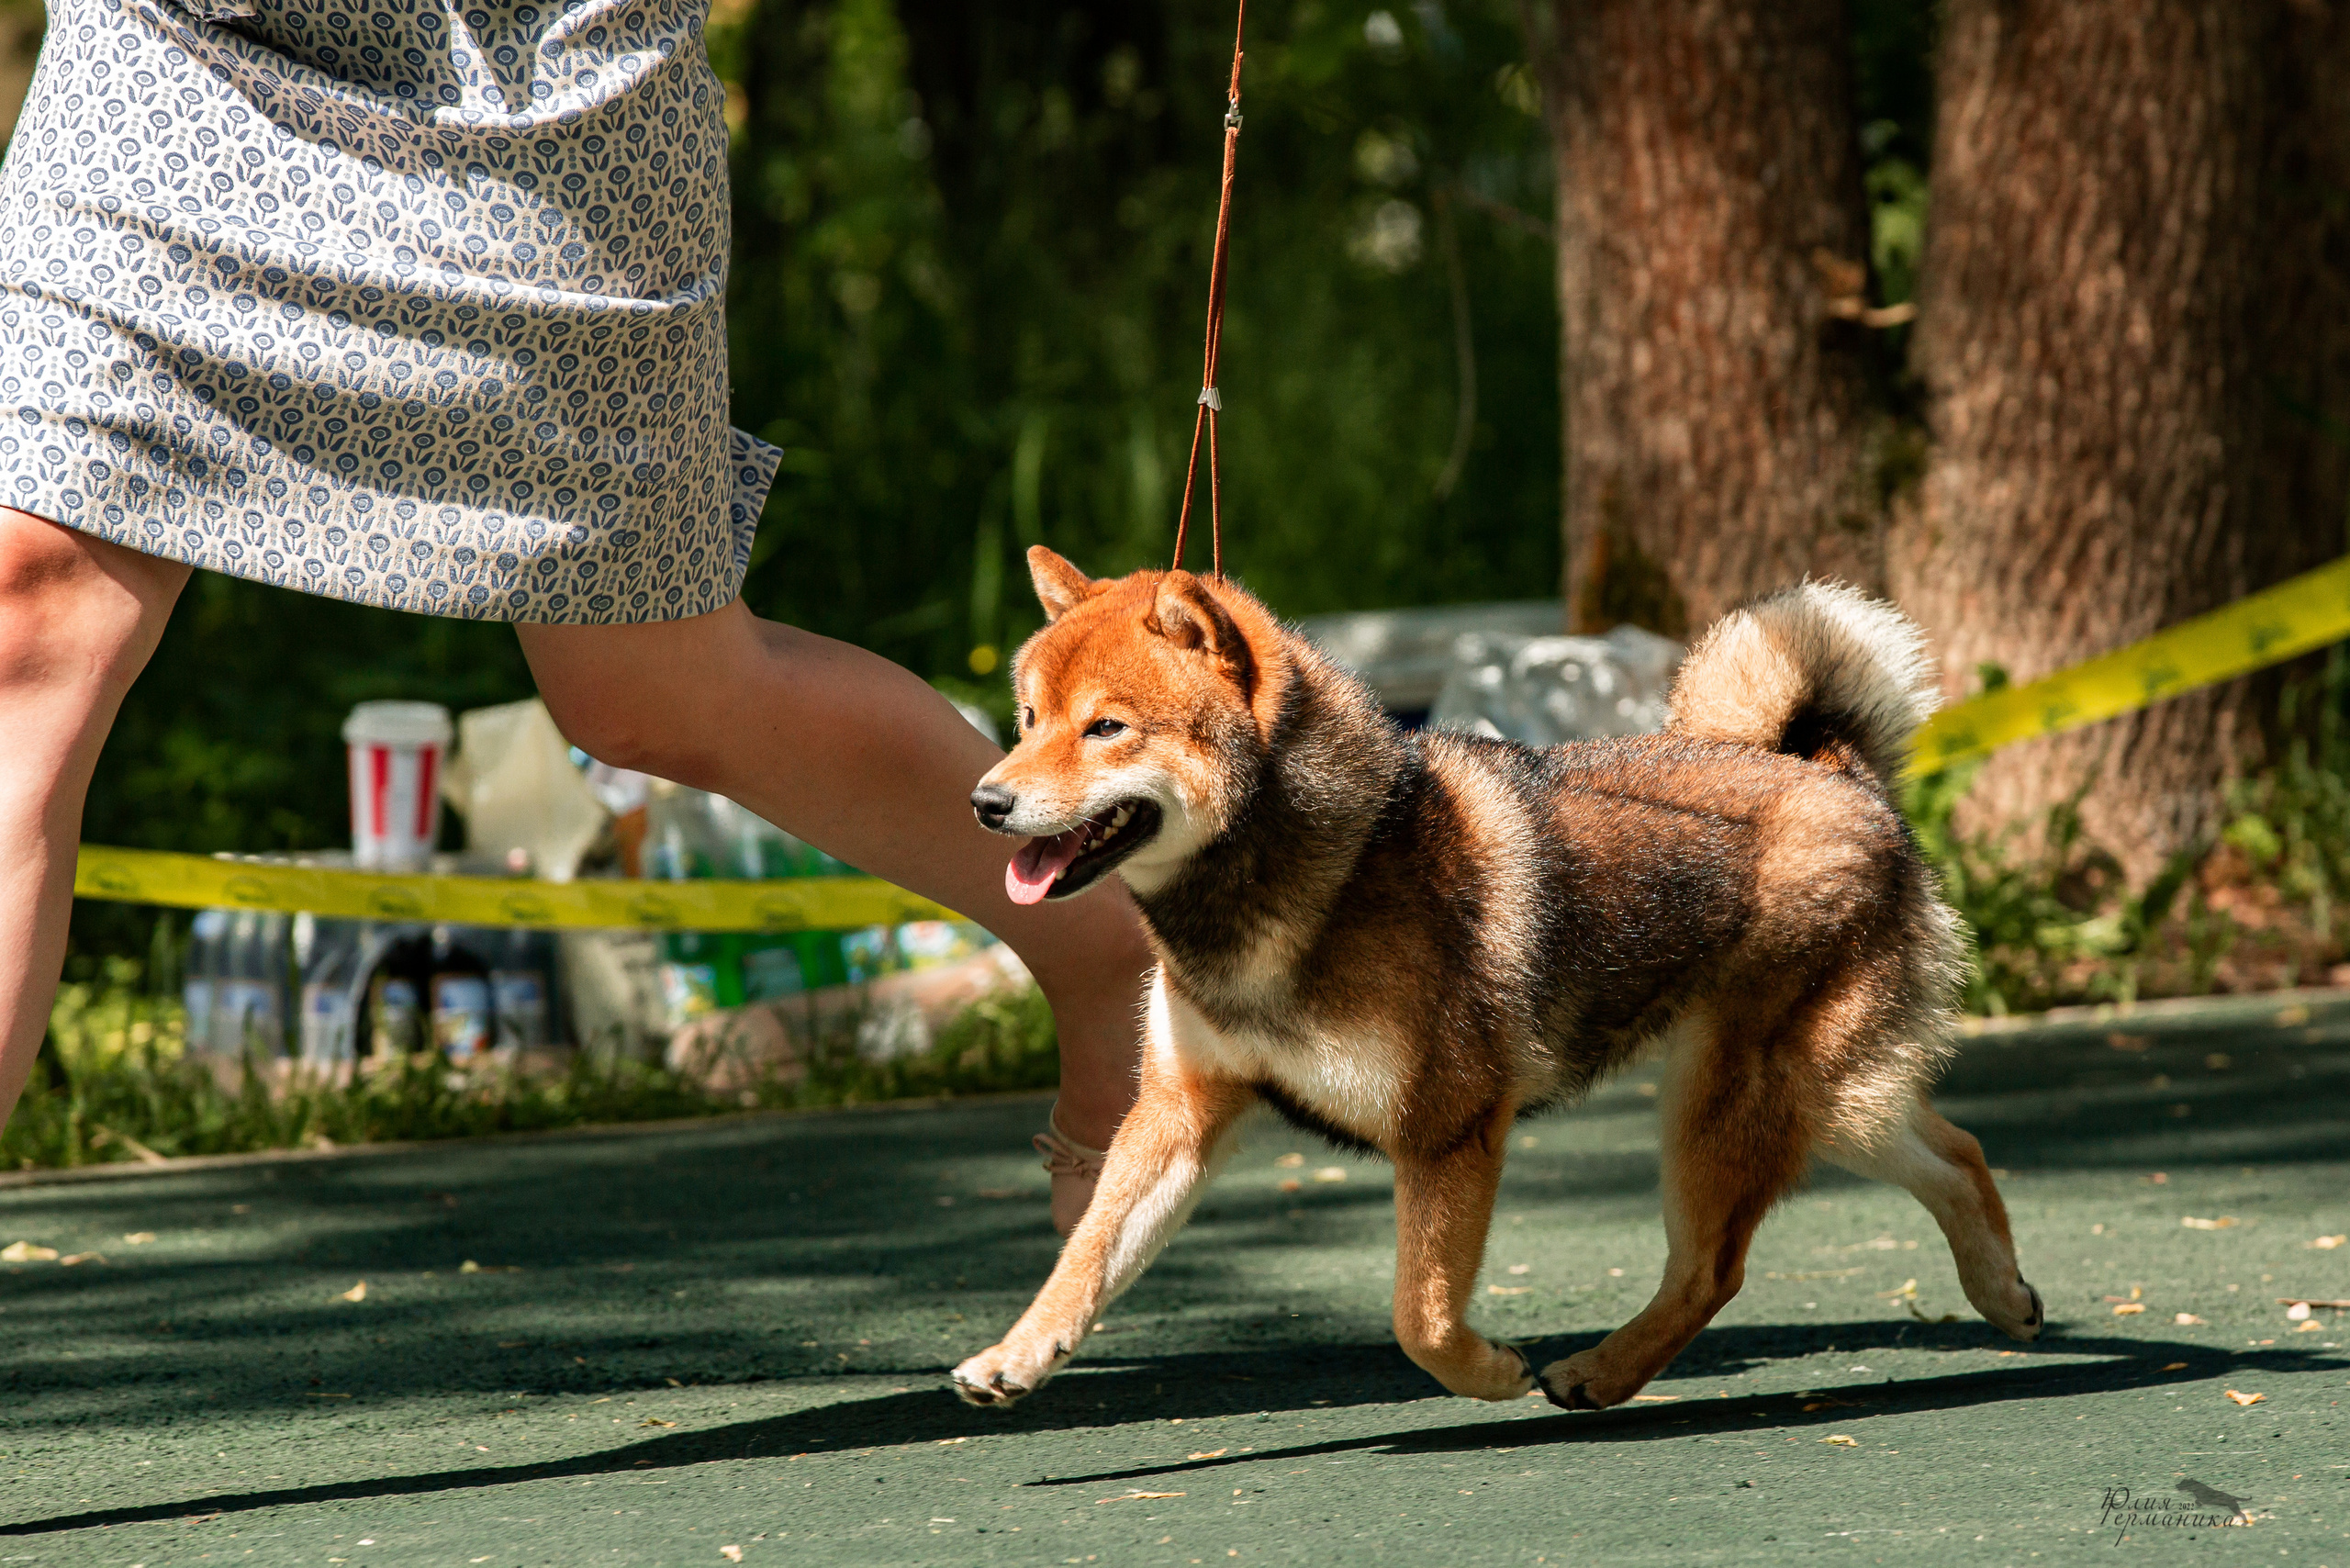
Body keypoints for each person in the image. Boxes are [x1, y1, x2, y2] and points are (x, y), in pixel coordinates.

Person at [0, 0, 1147, 1234]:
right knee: (26, 613)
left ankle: (1113, 952)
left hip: (532, 73)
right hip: (174, 58)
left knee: (653, 696)